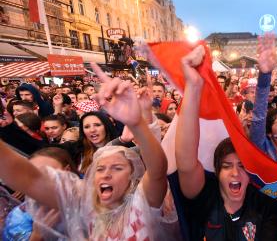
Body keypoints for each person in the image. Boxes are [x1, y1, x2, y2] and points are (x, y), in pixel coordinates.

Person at [0, 63, 172, 240]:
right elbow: (27, 178)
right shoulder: (84, 208)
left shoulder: (141, 205)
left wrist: (137, 123)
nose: (106, 174)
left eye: (117, 168)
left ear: (133, 178)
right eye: (100, 169)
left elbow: (157, 170)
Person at [175, 43, 277, 240]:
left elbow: (259, 122)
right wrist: (192, 86)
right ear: (217, 170)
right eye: (226, 166)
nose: (235, 173)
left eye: (242, 166)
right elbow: (186, 163)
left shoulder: (265, 205)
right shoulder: (206, 197)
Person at [2, 147, 78, 241]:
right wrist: (37, 236)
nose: (40, 181)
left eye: (48, 173)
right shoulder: (19, 215)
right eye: (33, 176)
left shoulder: (90, 196)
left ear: (67, 171)